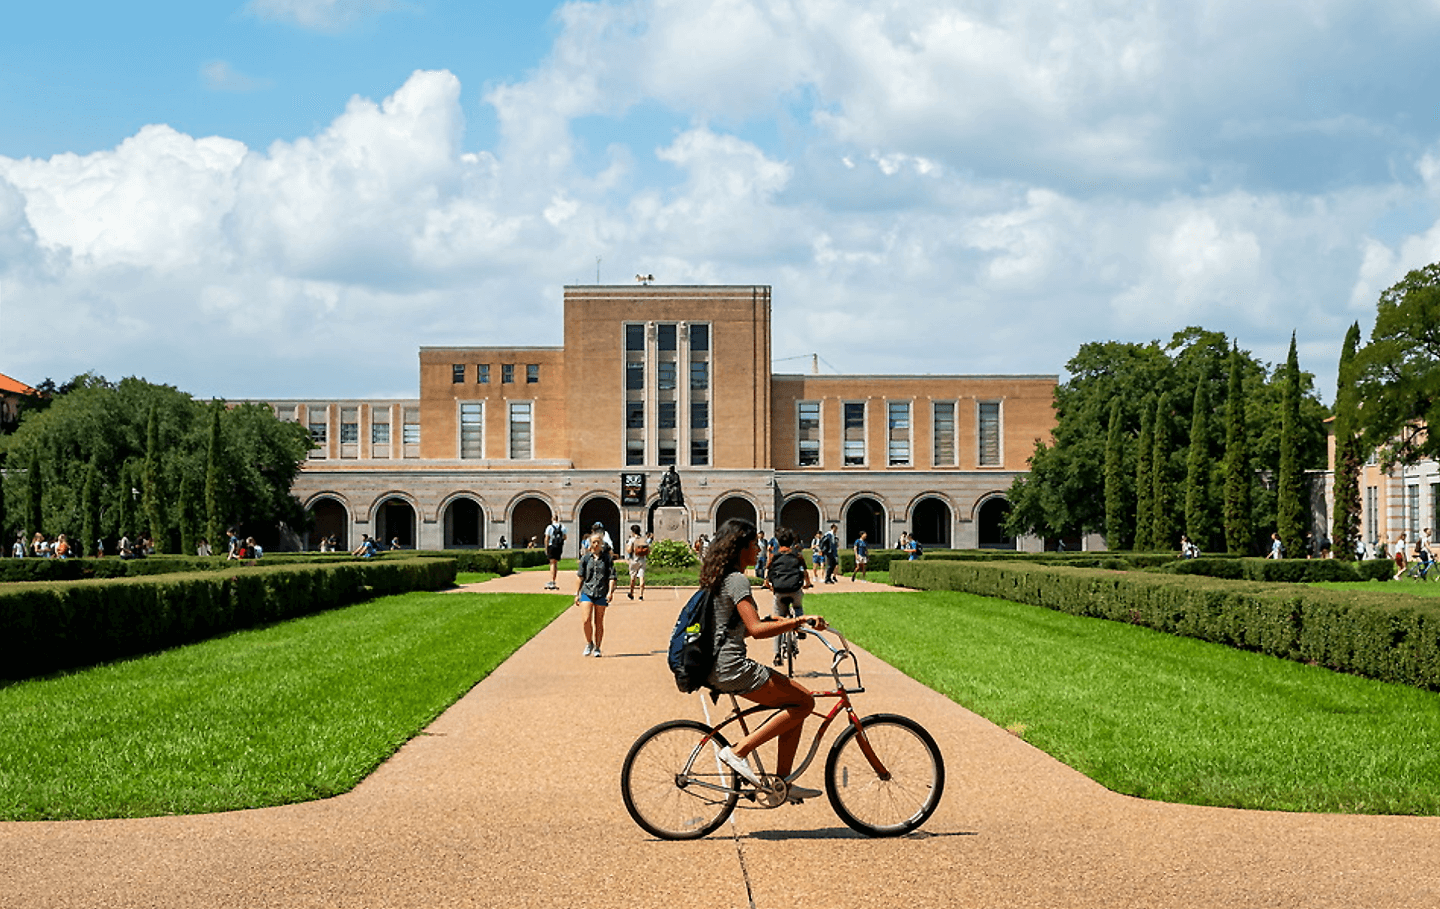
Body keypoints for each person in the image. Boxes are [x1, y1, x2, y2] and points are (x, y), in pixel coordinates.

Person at [702, 519, 827, 802]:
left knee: (795, 702)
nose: (759, 549)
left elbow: (744, 627)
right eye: (754, 544)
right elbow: (757, 632)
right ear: (740, 547)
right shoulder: (736, 580)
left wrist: (782, 623)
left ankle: (781, 785)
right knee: (804, 702)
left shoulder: (721, 577)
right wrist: (798, 619)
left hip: (717, 665)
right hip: (731, 667)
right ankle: (738, 751)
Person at [765, 527, 813, 665]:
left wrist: (769, 584)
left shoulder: (774, 556)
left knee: (779, 622)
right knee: (798, 605)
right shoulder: (797, 555)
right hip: (794, 589)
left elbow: (768, 572)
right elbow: (804, 571)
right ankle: (800, 627)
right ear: (792, 542)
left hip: (779, 591)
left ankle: (777, 655)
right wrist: (807, 583)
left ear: (778, 542)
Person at [576, 532, 616, 657]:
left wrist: (610, 592)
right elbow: (580, 577)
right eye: (594, 542)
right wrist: (576, 593)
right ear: (590, 544)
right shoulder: (586, 558)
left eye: (599, 541)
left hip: (601, 592)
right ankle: (589, 643)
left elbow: (612, 577)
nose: (596, 544)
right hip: (587, 591)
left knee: (599, 621)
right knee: (586, 620)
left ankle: (598, 647)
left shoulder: (607, 559)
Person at [625, 524, 649, 601]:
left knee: (633, 578)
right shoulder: (643, 539)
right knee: (641, 577)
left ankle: (631, 593)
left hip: (634, 560)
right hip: (642, 560)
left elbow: (629, 550)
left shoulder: (632, 540)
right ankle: (641, 595)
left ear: (632, 531)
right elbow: (649, 550)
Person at [544, 514, 567, 590]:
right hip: (559, 547)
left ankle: (551, 581)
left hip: (552, 546)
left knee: (552, 563)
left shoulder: (549, 527)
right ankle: (554, 579)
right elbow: (565, 537)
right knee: (555, 563)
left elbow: (547, 538)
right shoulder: (562, 527)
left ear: (552, 519)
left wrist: (546, 548)